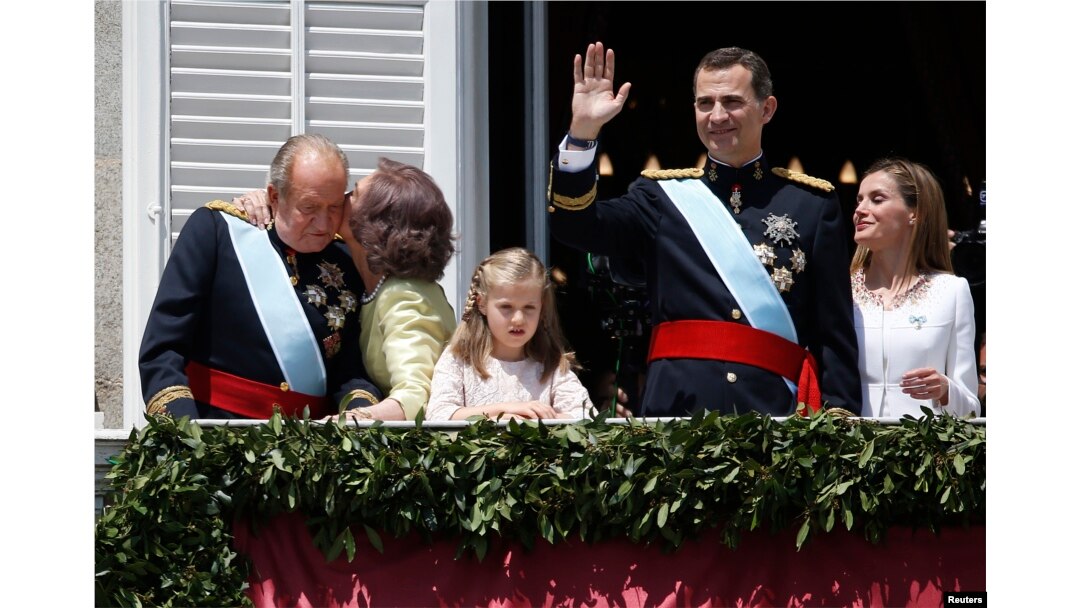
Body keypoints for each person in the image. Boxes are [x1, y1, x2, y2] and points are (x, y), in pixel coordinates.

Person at [547, 42, 861, 417]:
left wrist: (840, 426)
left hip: (776, 419)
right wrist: (583, 133)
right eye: (704, 103)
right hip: (677, 414)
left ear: (767, 109)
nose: (717, 116)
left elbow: (834, 335)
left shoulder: (811, 205)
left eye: (731, 101)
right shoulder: (659, 198)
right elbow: (575, 225)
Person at [139, 134, 382, 419]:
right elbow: (163, 348)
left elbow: (350, 370)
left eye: (334, 207)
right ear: (275, 197)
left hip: (310, 448)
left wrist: (359, 419)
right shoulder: (218, 232)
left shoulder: (344, 258)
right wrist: (184, 433)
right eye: (309, 207)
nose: (324, 222)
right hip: (215, 434)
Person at [235, 158, 457, 421]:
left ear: (377, 222)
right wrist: (272, 201)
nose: (343, 197)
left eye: (355, 193)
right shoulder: (370, 282)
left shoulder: (405, 294)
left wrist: (352, 420)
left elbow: (417, 397)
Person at [850, 157, 981, 418]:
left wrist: (946, 390)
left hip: (925, 453)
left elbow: (970, 409)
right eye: (859, 199)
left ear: (915, 213)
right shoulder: (839, 290)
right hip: (848, 449)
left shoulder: (951, 292)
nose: (860, 210)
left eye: (877, 199)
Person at [425, 248, 597, 421]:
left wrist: (538, 421)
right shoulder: (459, 359)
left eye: (529, 308)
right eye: (506, 307)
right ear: (482, 303)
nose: (518, 319)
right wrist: (504, 411)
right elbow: (438, 415)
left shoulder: (551, 365)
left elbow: (587, 417)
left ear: (542, 308)